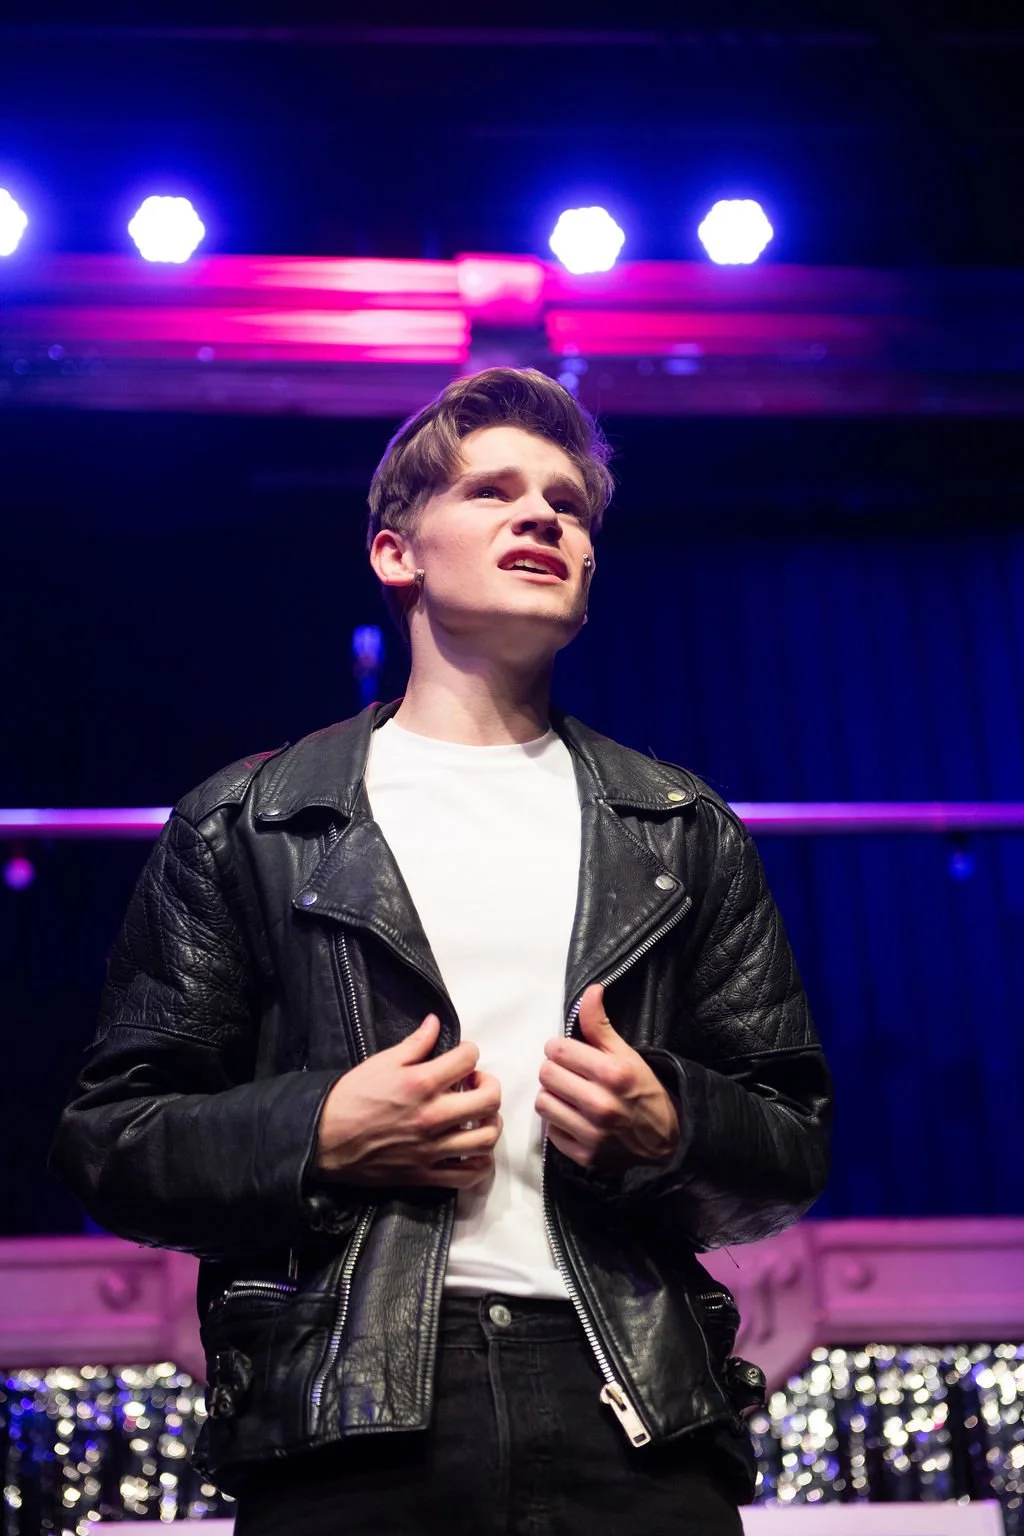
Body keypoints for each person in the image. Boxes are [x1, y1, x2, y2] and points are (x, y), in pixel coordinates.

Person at [52, 367, 832, 1536]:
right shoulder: (253, 820)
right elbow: (115, 1138)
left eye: (567, 505)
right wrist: (319, 1129)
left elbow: (789, 1142)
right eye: (493, 491)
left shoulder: (678, 827)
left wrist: (673, 1127)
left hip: (633, 1401)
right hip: (352, 1410)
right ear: (394, 555)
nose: (542, 518)